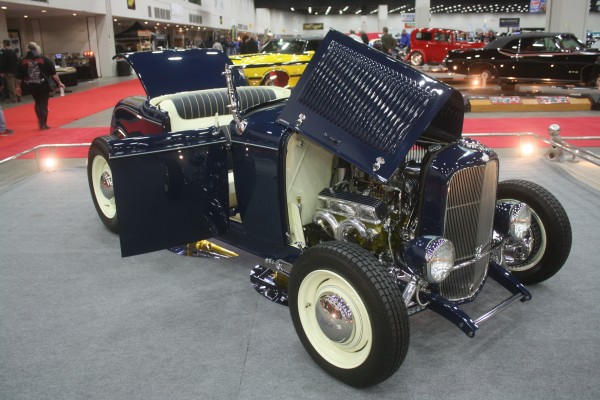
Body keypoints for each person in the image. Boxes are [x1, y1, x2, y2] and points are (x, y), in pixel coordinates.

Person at [16, 42, 65, 130]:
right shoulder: (44, 59)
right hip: (43, 84)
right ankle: (43, 123)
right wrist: (59, 83)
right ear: (37, 49)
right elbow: (54, 74)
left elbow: (19, 77)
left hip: (31, 85)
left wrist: (18, 87)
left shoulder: (22, 61)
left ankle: (40, 121)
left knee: (37, 102)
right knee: (43, 103)